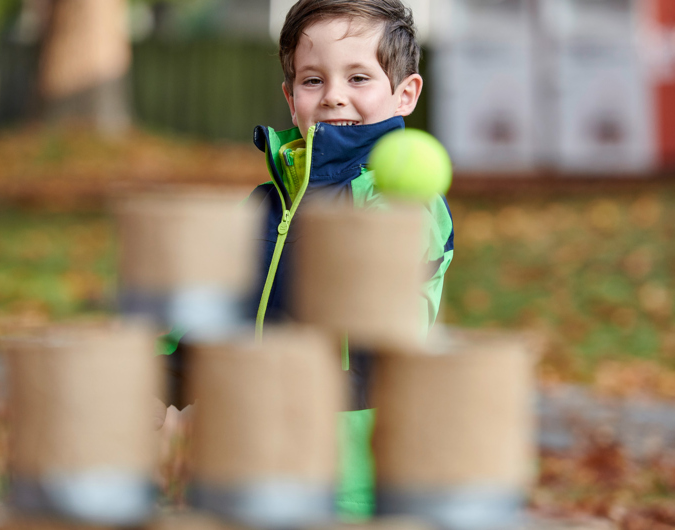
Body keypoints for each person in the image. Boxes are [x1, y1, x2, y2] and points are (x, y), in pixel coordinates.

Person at [157, 0, 454, 520]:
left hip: (355, 470)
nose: (335, 95)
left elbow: (383, 285)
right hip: (251, 454)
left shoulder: (408, 205)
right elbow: (215, 304)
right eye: (312, 80)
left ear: (404, 94)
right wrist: (165, 375)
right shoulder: (265, 203)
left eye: (359, 77)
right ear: (291, 98)